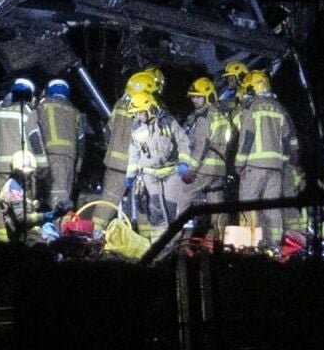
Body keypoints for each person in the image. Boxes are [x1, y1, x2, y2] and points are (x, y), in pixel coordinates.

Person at [234, 69, 299, 249]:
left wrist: (239, 163)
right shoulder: (279, 108)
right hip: (276, 168)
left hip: (254, 165)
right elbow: (287, 138)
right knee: (272, 208)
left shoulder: (251, 107)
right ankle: (275, 246)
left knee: (248, 205)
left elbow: (247, 136)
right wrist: (283, 161)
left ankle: (248, 247)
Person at [0, 78, 49, 239]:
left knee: (2, 208)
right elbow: (35, 141)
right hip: (23, 169)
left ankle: (1, 246)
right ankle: (22, 243)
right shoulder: (27, 113)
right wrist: (43, 165)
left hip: (1, 169)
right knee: (24, 207)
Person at [93, 70, 160, 230]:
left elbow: (107, 131)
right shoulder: (146, 108)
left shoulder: (119, 105)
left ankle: (92, 237)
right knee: (143, 203)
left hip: (115, 164)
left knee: (107, 202)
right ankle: (148, 244)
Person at [125, 90, 193, 242]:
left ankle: (174, 242)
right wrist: (130, 176)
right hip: (149, 174)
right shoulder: (136, 128)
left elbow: (183, 142)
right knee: (155, 209)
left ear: (150, 109)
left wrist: (183, 163)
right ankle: (159, 244)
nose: (138, 117)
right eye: (135, 114)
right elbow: (134, 153)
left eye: (141, 113)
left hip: (171, 172)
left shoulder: (168, 122)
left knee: (171, 206)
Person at [179, 77, 237, 236]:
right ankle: (219, 238)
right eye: (193, 97)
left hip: (204, 168)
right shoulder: (220, 115)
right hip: (219, 169)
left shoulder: (204, 116)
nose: (194, 100)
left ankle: (176, 236)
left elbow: (201, 145)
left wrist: (191, 169)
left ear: (209, 96)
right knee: (216, 204)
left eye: (198, 96)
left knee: (182, 197)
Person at [37, 78, 85, 211]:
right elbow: (81, 140)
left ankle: (53, 227)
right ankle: (58, 225)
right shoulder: (75, 111)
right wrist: (78, 164)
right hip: (68, 157)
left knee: (49, 193)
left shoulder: (42, 105)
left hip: (45, 153)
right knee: (63, 193)